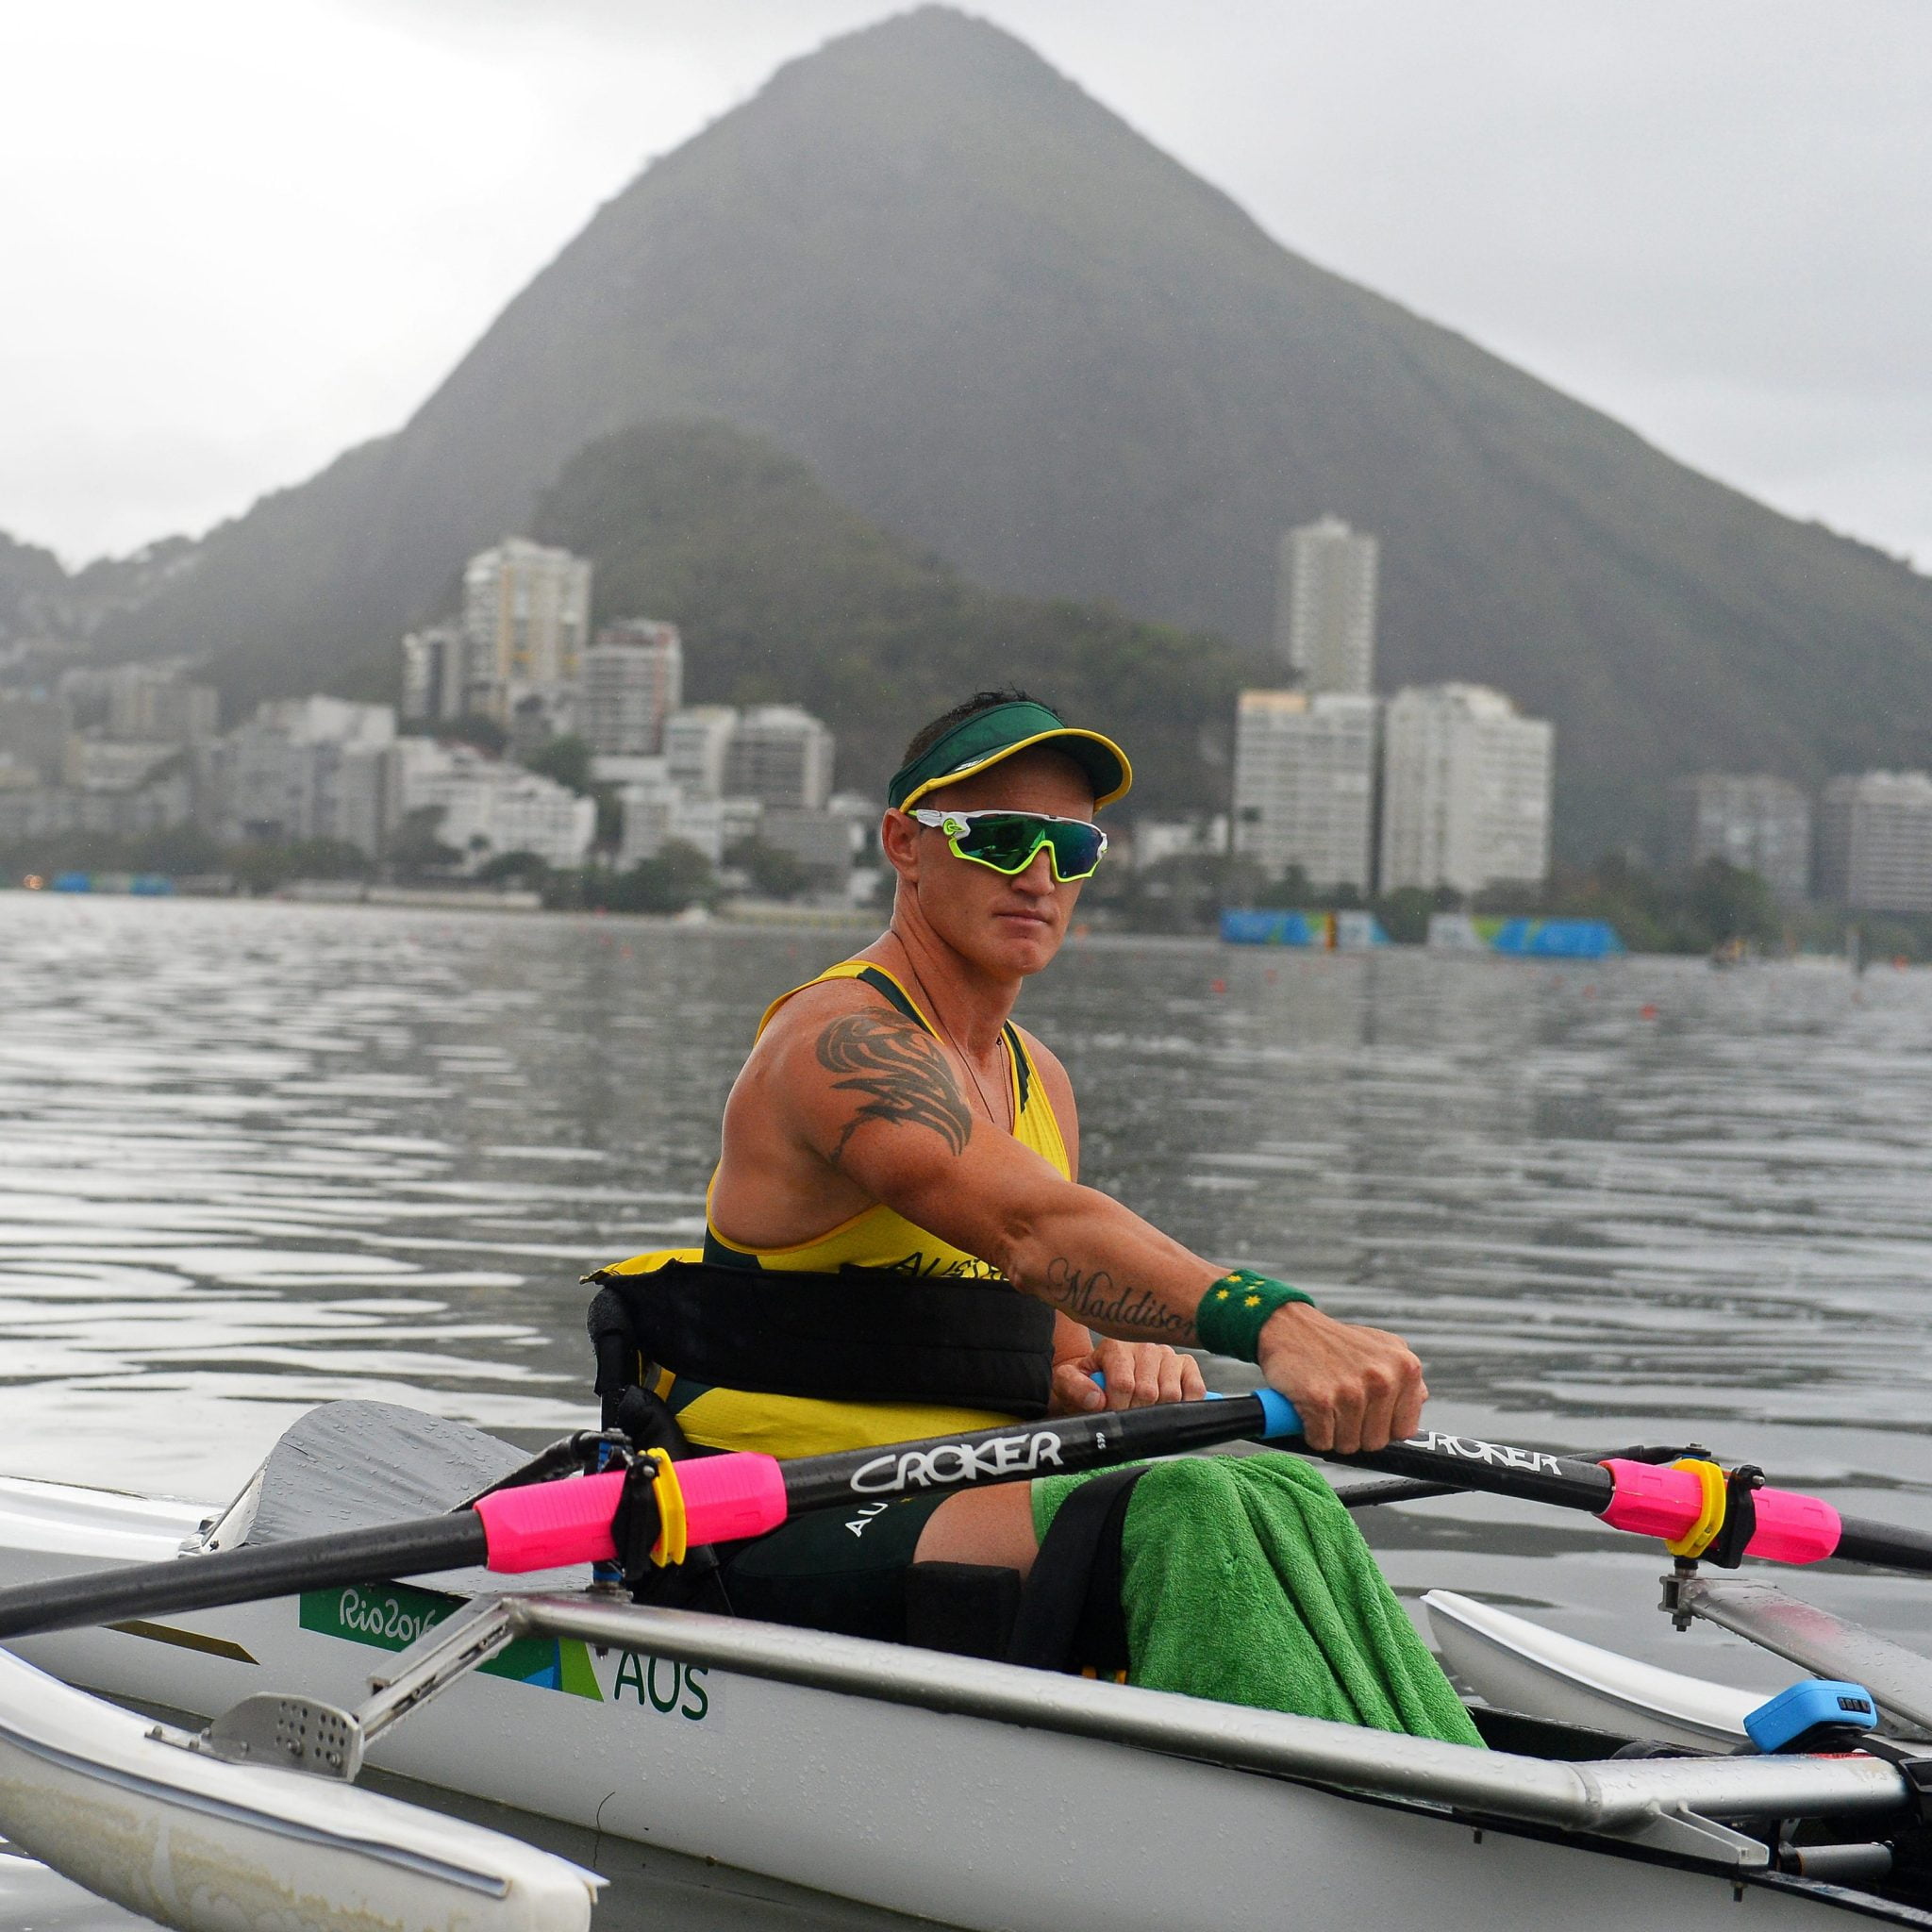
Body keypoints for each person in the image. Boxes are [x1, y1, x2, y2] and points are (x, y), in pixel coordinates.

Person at [589, 689, 1426, 1644]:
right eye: (996, 837)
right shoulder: (838, 1043)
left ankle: (1417, 1758)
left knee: (1267, 1481)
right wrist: (1273, 1319)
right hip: (763, 1516)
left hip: (966, 1493)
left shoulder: (1042, 1081)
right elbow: (1033, 1231)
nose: (1037, 873)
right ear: (903, 842)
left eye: (1070, 848)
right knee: (1192, 1506)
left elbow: (1062, 1354)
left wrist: (1115, 1362)